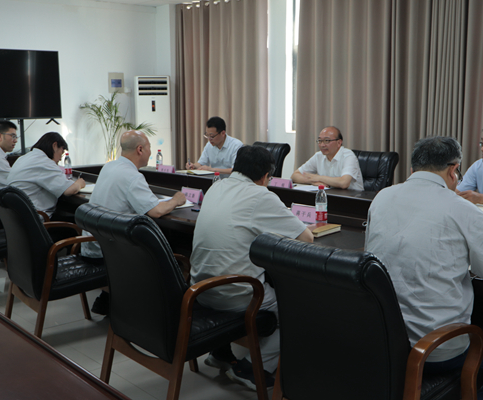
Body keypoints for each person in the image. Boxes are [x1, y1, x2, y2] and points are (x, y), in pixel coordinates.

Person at [365, 136, 483, 400]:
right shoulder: (462, 208)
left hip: (382, 337)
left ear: (413, 168)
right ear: (453, 170)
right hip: (434, 348)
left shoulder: (382, 197)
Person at [190, 145, 313, 390]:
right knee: (299, 309)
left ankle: (220, 353)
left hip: (200, 289)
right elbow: (306, 239)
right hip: (236, 294)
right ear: (266, 176)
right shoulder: (261, 195)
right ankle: (252, 369)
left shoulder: (216, 187)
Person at [81, 130, 186, 314]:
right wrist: (176, 200)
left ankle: (107, 298)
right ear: (140, 149)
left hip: (92, 244)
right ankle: (172, 312)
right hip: (108, 252)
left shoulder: (109, 167)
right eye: (149, 148)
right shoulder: (132, 176)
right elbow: (156, 211)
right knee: (173, 257)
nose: (150, 152)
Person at [7, 132, 85, 217]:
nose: (60, 159)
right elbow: (69, 190)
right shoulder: (44, 161)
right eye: (61, 153)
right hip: (35, 219)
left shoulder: (23, 158)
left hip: (18, 218)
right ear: (55, 146)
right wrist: (79, 184)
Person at [291, 126, 364, 190]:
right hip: (329, 195)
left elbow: (344, 183)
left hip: (352, 198)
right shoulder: (318, 156)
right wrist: (313, 181)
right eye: (320, 141)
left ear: (339, 143)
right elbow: (295, 176)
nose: (322, 145)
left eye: (326, 141)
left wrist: (318, 178)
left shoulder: (348, 156)